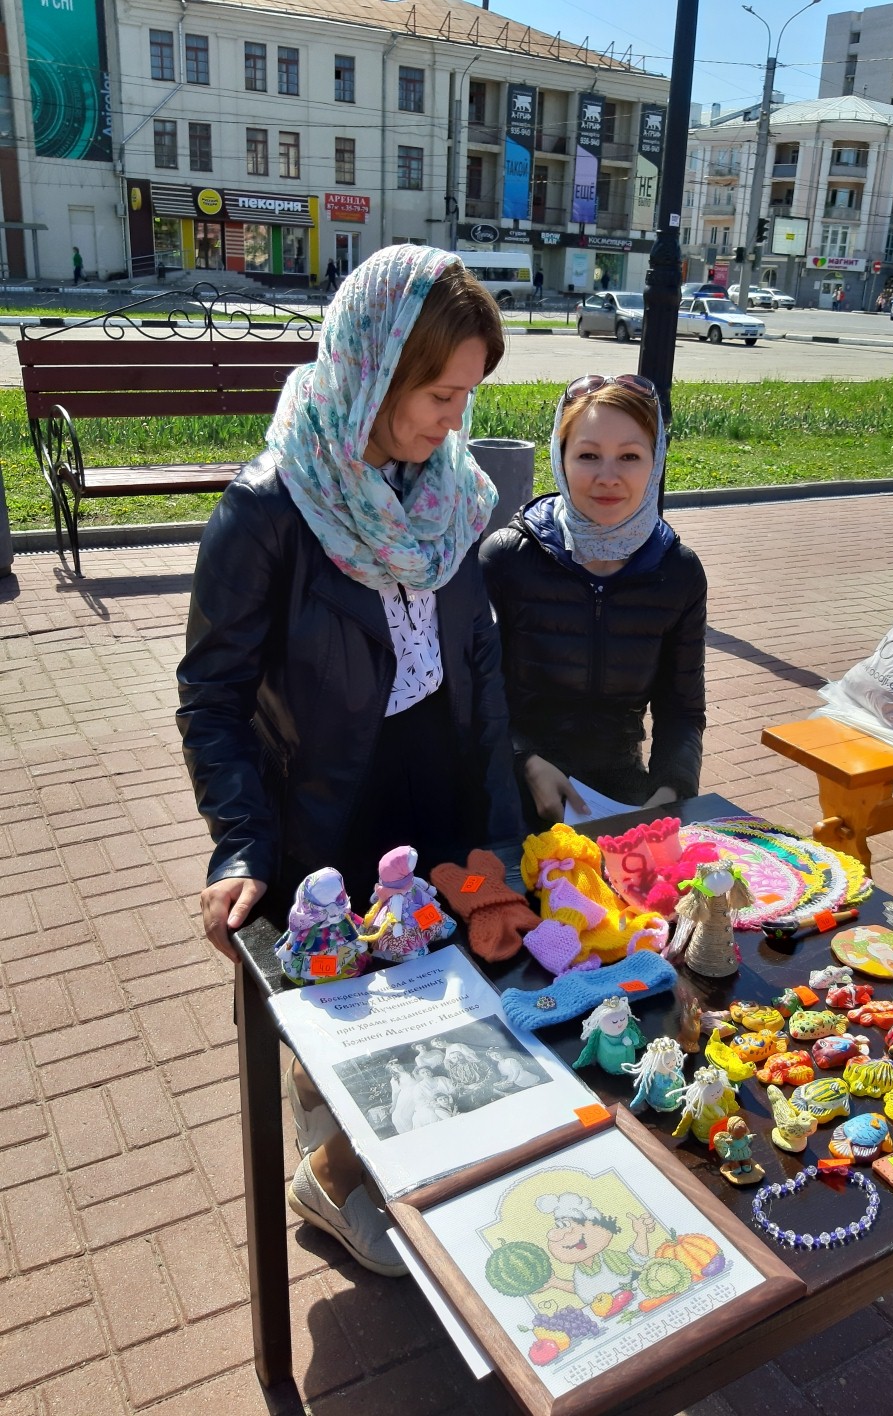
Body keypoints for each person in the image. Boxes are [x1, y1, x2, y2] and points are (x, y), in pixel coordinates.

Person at [177, 244, 522, 1275]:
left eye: (468, 393)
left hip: (440, 795)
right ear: (372, 367)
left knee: (452, 1014)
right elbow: (213, 697)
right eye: (438, 392)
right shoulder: (270, 511)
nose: (455, 420)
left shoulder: (451, 495)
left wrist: (500, 834)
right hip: (326, 814)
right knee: (347, 1024)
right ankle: (327, 1174)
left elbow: (483, 675)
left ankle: (406, 1155)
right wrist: (240, 846)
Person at [481, 373, 707, 825]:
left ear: (656, 460)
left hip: (620, 793)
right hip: (509, 792)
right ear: (560, 458)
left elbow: (681, 710)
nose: (608, 477)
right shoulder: (506, 558)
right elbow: (476, 694)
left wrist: (670, 790)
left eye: (629, 456)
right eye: (588, 455)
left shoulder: (678, 572)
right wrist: (524, 759)